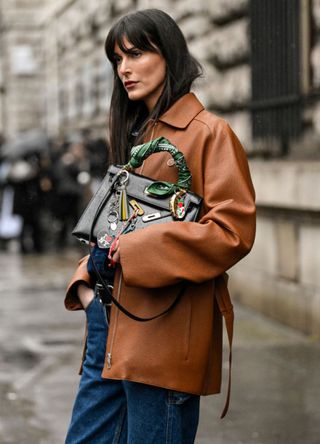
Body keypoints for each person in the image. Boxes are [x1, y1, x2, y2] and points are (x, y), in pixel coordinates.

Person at [64, 9, 256, 444]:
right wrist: (85, 283)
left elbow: (232, 231)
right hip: (109, 323)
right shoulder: (137, 134)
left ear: (168, 53)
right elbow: (113, 225)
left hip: (163, 336)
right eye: (117, 59)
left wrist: (137, 251)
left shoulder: (210, 133)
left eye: (135, 53)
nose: (125, 69)